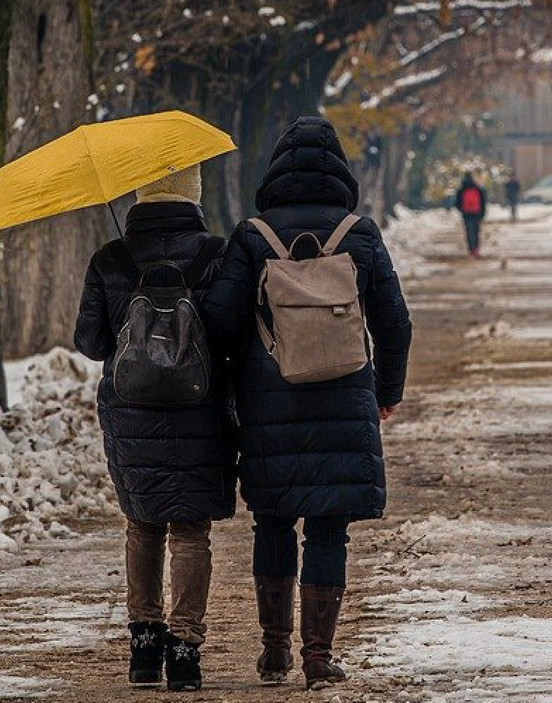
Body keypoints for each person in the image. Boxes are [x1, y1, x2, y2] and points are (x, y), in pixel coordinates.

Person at [202, 117, 412, 690]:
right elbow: (395, 322)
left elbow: (219, 323)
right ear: (340, 171)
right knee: (328, 530)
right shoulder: (359, 233)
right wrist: (385, 392)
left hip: (268, 404)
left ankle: (273, 653)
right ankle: (318, 656)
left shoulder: (253, 236)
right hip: (344, 398)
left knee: (272, 524)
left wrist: (236, 372)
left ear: (275, 172)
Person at [73, 164, 236, 692]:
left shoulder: (110, 258)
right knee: (191, 528)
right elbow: (232, 333)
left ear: (141, 194)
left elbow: (91, 343)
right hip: (201, 408)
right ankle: (184, 651)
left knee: (143, 522)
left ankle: (144, 648)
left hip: (130, 411)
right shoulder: (215, 255)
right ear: (193, 194)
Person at [454, 171, 487, 258]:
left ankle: (471, 250)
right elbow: (483, 201)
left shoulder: (462, 189)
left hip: (467, 214)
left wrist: (462, 210)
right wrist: (482, 212)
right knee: (476, 232)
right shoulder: (477, 188)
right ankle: (476, 249)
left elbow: (457, 203)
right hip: (476, 213)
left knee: (469, 232)